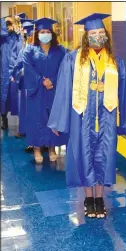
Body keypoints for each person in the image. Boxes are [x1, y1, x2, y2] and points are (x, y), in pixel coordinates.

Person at [48, 13, 126, 218]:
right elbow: (63, 90)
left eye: (100, 33)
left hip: (106, 118)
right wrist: (59, 120)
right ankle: (89, 199)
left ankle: (100, 198)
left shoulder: (115, 61)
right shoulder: (73, 59)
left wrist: (125, 121)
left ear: (105, 35)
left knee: (104, 157)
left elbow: (124, 93)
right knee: (84, 156)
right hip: (82, 118)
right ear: (86, 36)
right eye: (93, 33)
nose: (97, 36)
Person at [22, 18, 68, 164]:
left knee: (52, 117)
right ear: (37, 33)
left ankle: (51, 148)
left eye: (48, 31)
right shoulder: (29, 50)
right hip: (37, 90)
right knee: (37, 118)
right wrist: (42, 80)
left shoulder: (60, 50)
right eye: (42, 32)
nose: (45, 34)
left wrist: (52, 81)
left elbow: (64, 68)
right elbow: (28, 68)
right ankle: (36, 148)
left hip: (54, 90)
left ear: (52, 33)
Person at [11, 20, 34, 141]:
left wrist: (15, 74)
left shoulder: (27, 50)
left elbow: (18, 65)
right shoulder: (26, 50)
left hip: (30, 83)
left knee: (28, 108)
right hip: (27, 82)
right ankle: (26, 130)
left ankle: (27, 131)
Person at [0, 16, 22, 130]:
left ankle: (22, 123)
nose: (9, 27)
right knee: (3, 94)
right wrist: (5, 21)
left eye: (10, 24)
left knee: (17, 95)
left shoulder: (17, 36)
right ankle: (3, 118)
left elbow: (23, 45)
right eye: (6, 25)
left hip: (16, 68)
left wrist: (17, 29)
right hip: (3, 69)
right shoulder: (3, 38)